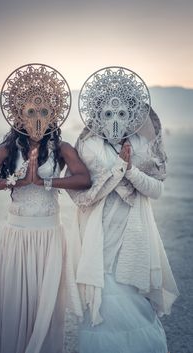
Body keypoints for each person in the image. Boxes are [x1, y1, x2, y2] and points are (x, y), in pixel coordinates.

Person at [0, 63, 91, 353]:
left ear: (53, 115)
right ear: (18, 115)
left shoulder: (62, 148)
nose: (37, 118)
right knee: (14, 301)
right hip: (16, 235)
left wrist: (46, 183)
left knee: (45, 305)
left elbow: (84, 179)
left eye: (43, 112)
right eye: (30, 112)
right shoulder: (7, 149)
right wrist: (15, 182)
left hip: (49, 235)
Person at [65, 67, 179, 353]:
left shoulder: (141, 145)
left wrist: (130, 171)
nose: (115, 121)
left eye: (121, 114)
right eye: (107, 114)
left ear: (132, 114)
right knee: (105, 294)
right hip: (100, 232)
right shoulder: (89, 146)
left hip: (134, 232)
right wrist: (119, 170)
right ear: (96, 114)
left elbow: (156, 190)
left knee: (132, 294)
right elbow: (85, 193)